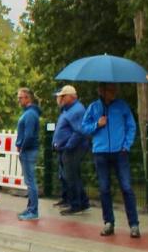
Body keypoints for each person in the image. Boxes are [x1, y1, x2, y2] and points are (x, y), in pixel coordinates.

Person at [80, 83, 140, 237]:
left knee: (126, 188)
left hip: (120, 153)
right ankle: (109, 223)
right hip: (100, 153)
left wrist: (126, 145)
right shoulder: (94, 108)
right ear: (101, 91)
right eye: (110, 90)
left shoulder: (122, 106)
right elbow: (84, 128)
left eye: (115, 90)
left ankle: (134, 225)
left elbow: (131, 126)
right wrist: (97, 124)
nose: (114, 92)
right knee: (104, 189)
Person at [52, 85, 90, 215]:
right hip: (67, 148)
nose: (59, 99)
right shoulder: (67, 110)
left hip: (74, 148)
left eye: (62, 96)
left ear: (71, 97)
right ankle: (81, 201)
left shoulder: (77, 110)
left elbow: (79, 131)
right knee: (70, 175)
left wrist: (68, 146)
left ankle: (76, 204)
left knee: (71, 176)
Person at [14, 88, 42, 220]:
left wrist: (22, 148)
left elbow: (29, 135)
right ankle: (30, 207)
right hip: (28, 150)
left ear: (27, 98)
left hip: (28, 151)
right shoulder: (29, 113)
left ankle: (33, 211)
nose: (18, 100)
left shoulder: (30, 114)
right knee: (29, 180)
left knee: (30, 181)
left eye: (20, 98)